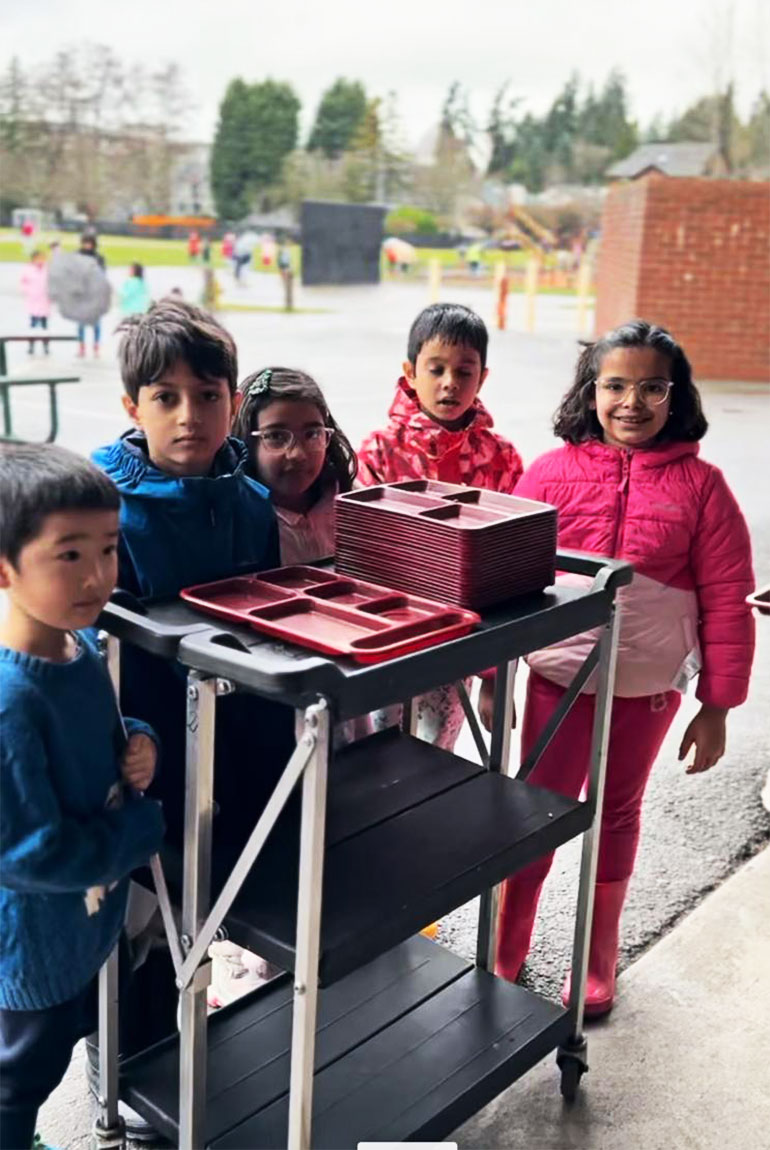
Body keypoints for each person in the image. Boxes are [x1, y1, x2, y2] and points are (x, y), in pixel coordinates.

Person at [483, 319, 755, 1017]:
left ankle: (598, 959)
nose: (632, 402)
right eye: (615, 385)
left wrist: (717, 706)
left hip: (646, 693)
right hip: (555, 682)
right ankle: (504, 949)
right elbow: (506, 577)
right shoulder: (546, 474)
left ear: (675, 396)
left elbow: (727, 599)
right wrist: (494, 678)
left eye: (652, 387)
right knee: (532, 810)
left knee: (618, 812)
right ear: (590, 391)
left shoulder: (703, 489)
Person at [0, 444, 165, 1150]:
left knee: (57, 1051)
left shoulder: (80, 645)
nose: (98, 575)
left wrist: (139, 740)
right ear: (3, 569)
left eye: (108, 548)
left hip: (83, 923)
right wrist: (141, 829)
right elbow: (26, 854)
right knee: (19, 1079)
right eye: (69, 555)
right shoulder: (10, 703)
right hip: (32, 945)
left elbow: (101, 736)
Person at [357, 302, 524, 750]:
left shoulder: (501, 458)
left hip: (464, 641)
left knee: (434, 752)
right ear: (410, 373)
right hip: (387, 638)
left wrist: (495, 674)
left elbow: (511, 569)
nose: (450, 383)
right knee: (374, 748)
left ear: (482, 377)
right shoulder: (378, 452)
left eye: (464, 371)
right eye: (436, 369)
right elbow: (362, 554)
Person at [233, 366, 357, 565]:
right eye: (276, 436)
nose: (298, 454)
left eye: (312, 434)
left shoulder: (351, 507)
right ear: (246, 441)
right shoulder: (235, 528)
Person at [77, 234, 107, 358]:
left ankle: (96, 346)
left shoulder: (99, 258)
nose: (87, 245)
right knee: (81, 323)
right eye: (85, 242)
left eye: (89, 243)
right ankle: (81, 346)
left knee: (96, 323)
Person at [19, 249, 51, 355]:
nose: (40, 260)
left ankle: (46, 346)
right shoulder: (28, 269)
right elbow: (23, 282)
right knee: (33, 324)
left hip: (44, 300)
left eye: (42, 258)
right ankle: (31, 345)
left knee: (44, 325)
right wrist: (28, 291)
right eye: (38, 258)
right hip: (33, 300)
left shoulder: (47, 269)